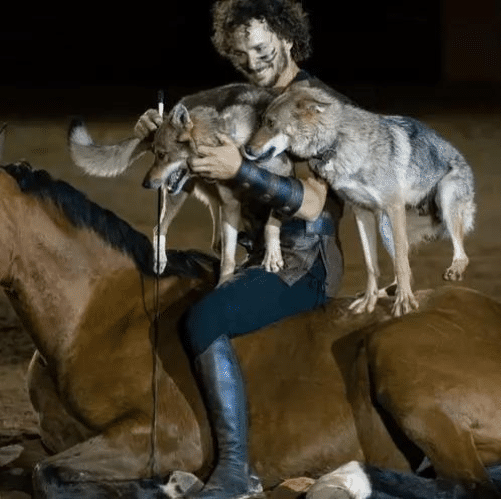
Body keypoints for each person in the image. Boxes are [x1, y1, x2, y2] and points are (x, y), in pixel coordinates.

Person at [133, 1, 347, 497]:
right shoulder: (240, 98)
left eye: (260, 48)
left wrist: (240, 170)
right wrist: (156, 131)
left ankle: (235, 470)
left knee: (205, 319)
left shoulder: (316, 105)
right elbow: (182, 141)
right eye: (240, 53)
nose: (251, 62)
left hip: (304, 261)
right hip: (248, 252)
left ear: (288, 38)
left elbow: (315, 204)